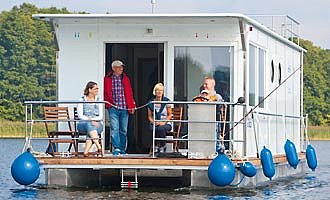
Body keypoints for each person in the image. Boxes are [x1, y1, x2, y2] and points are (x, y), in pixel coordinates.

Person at [104, 60, 136, 156]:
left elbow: (129, 93)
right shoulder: (107, 79)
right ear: (113, 68)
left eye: (122, 67)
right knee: (115, 128)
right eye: (119, 67)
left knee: (124, 129)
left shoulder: (125, 78)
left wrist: (131, 105)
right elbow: (105, 92)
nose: (121, 69)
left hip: (124, 108)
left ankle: (122, 149)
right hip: (113, 107)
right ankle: (117, 148)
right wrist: (108, 105)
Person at [77, 81, 103, 157]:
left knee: (90, 129)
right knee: (90, 125)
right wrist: (91, 121)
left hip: (97, 124)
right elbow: (80, 115)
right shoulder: (81, 100)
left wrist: (93, 120)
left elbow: (100, 116)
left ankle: (86, 152)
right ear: (90, 90)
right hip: (83, 124)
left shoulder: (99, 100)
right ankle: (98, 146)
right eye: (95, 89)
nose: (97, 90)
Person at [147, 83, 172, 153]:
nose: (159, 92)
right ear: (155, 91)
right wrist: (153, 122)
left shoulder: (167, 101)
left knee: (160, 128)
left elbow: (170, 115)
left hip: (166, 123)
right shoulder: (151, 103)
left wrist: (163, 122)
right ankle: (157, 146)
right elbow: (149, 116)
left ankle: (162, 146)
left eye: (161, 90)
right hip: (155, 122)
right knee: (154, 128)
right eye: (157, 90)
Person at [202, 76, 225, 152]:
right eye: (204, 84)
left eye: (206, 84)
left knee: (215, 139)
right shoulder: (201, 96)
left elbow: (220, 107)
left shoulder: (217, 96)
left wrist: (209, 100)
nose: (204, 86)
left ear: (212, 85)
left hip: (214, 121)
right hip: (202, 121)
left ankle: (215, 152)